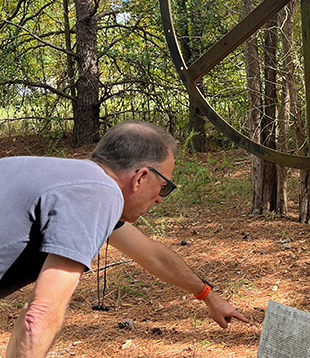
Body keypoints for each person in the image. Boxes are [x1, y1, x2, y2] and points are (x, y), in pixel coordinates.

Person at [0, 120, 249, 358]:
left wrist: (209, 296)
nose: (161, 199)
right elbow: (40, 316)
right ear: (140, 177)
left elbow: (153, 255)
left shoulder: (69, 178)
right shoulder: (97, 193)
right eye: (163, 186)